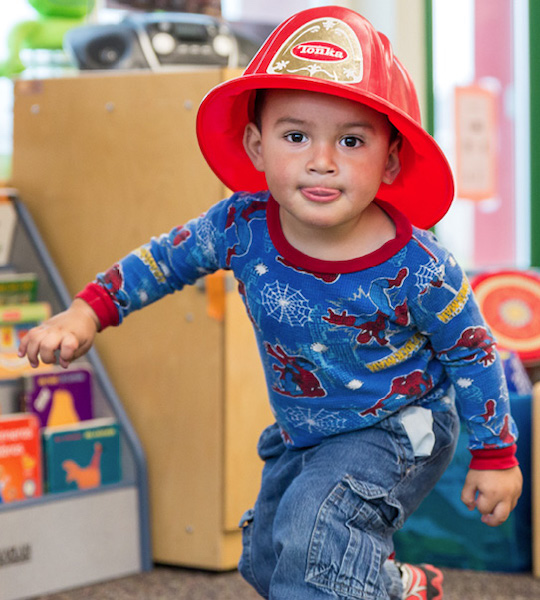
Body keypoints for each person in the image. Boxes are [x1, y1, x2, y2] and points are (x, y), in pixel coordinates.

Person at [19, 6, 522, 600]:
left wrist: (496, 454)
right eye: (295, 135)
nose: (321, 160)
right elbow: (162, 261)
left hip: (398, 427)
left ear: (389, 159)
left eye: (352, 140)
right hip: (306, 428)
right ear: (257, 147)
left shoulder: (421, 266)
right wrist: (87, 310)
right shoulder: (242, 224)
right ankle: (394, 585)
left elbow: (474, 355)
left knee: (313, 548)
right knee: (267, 558)